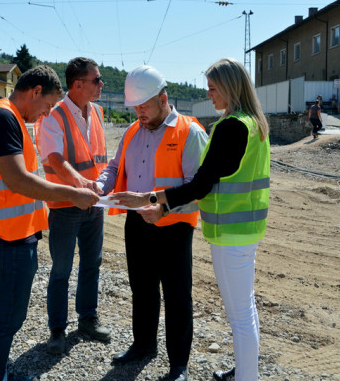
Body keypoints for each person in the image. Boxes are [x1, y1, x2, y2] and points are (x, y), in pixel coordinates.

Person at [110, 57, 270, 381]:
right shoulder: (253, 123)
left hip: (226, 232)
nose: (209, 95)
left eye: (213, 88)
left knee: (235, 315)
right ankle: (245, 372)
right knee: (244, 313)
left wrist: (152, 199)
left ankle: (242, 377)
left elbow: (199, 184)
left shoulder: (229, 126)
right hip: (243, 229)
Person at [0, 65, 100, 381]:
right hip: (7, 236)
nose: (47, 113)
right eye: (48, 105)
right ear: (36, 91)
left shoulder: (8, 117)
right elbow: (17, 180)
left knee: (4, 313)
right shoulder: (1, 118)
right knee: (7, 317)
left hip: (13, 234)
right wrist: (73, 192)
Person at [96, 65, 208, 381]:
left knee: (176, 295)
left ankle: (179, 364)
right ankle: (144, 345)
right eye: (135, 107)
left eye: (144, 106)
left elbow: (197, 187)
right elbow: (115, 166)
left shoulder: (190, 132)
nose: (139, 113)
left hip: (174, 225)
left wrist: (163, 208)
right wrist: (99, 186)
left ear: (163, 98)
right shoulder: (132, 131)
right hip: (138, 224)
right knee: (142, 289)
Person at [34, 57, 111, 354]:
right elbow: (54, 157)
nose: (101, 84)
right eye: (97, 80)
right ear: (77, 85)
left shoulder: (99, 112)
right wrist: (80, 183)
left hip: (95, 204)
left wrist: (103, 186)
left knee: (92, 264)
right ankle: (57, 329)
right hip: (66, 204)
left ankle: (88, 319)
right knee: (61, 269)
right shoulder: (54, 115)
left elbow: (100, 157)